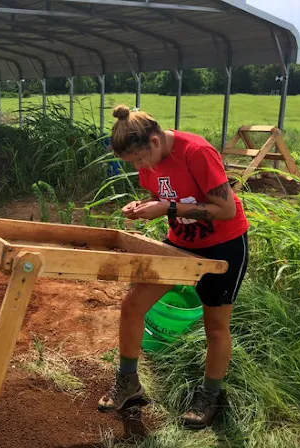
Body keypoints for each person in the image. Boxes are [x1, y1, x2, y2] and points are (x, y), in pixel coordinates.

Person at [98, 105, 249, 429]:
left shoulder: (196, 152)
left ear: (155, 141)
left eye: (140, 160)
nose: (139, 167)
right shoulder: (147, 162)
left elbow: (224, 209)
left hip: (223, 246)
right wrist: (141, 207)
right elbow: (162, 194)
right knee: (132, 306)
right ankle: (129, 383)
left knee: (215, 326)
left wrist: (166, 207)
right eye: (133, 164)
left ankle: (209, 395)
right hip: (180, 242)